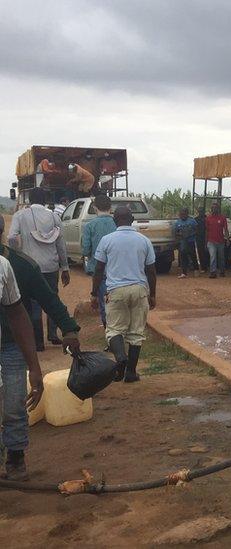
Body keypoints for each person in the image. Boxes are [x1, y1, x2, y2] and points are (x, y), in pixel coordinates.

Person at [0, 216, 80, 480]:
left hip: (11, 345)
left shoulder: (18, 267)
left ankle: (15, 456)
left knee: (14, 404)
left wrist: (69, 328)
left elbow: (47, 299)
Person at [92, 206, 156, 383]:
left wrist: (93, 293)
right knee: (136, 332)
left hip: (116, 290)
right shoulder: (144, 240)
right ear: (133, 219)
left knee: (113, 330)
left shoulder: (106, 240)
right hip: (139, 289)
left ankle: (120, 357)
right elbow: (151, 270)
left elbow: (98, 269)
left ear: (114, 220)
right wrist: (152, 295)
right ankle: (131, 373)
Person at [7, 188, 70, 351]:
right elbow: (61, 244)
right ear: (45, 200)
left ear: (29, 200)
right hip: (51, 266)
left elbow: (12, 237)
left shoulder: (20, 215)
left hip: (30, 267)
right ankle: (53, 335)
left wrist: (18, 253)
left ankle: (38, 342)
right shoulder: (54, 216)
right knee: (52, 299)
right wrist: (65, 267)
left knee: (33, 304)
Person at [81, 194, 117, 327]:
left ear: (95, 207)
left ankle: (110, 334)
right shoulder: (117, 223)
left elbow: (85, 250)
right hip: (118, 270)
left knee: (104, 303)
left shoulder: (90, 226)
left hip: (99, 270)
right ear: (110, 207)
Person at [205, 202, 228, 278]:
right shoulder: (208, 218)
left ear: (218, 209)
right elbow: (206, 231)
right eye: (213, 208)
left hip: (220, 241)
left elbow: (226, 229)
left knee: (221, 257)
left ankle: (222, 271)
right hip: (211, 241)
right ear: (211, 209)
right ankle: (213, 272)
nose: (214, 209)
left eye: (215, 208)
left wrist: (227, 239)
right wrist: (206, 242)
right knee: (213, 256)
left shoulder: (222, 218)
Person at [173, 208, 198, 278]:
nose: (182, 215)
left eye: (183, 214)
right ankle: (184, 272)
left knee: (193, 255)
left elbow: (197, 230)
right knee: (183, 256)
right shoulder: (178, 222)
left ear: (187, 214)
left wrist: (190, 234)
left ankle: (196, 269)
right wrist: (178, 238)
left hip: (190, 241)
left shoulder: (192, 221)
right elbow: (176, 232)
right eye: (180, 214)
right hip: (182, 241)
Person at [194, 206, 209, 273]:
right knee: (200, 253)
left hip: (207, 237)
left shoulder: (207, 218)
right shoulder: (196, 219)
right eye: (199, 211)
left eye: (202, 211)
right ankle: (203, 267)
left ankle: (207, 266)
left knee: (207, 252)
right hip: (199, 238)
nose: (200, 212)